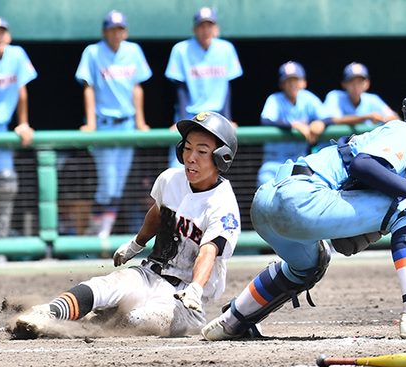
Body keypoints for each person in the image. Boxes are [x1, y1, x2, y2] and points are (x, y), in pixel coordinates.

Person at [200, 88, 406, 342]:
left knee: (309, 264)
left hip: (270, 207)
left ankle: (234, 320)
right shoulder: (404, 134)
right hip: (299, 196)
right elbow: (363, 165)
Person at [10, 112, 241, 339]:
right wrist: (136, 244)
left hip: (185, 299)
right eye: (187, 148)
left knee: (138, 319)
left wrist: (196, 289)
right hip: (150, 274)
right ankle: (44, 314)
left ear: (222, 157)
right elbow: (157, 213)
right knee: (104, 286)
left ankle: (93, 321)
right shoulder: (170, 179)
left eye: (201, 151)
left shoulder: (223, 204)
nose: (191, 157)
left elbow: (208, 252)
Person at [75, 10, 152, 238]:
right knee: (108, 182)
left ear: (125, 31)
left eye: (119, 29)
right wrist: (90, 123)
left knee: (118, 183)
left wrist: (140, 121)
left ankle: (100, 231)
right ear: (104, 31)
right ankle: (99, 232)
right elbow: (87, 87)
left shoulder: (133, 51)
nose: (115, 34)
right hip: (104, 124)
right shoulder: (93, 52)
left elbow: (137, 87)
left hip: (127, 124)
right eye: (111, 29)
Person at [165, 6, 242, 168]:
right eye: (201, 26)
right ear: (194, 29)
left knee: (214, 166)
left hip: (217, 118)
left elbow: (226, 87)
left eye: (209, 25)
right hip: (191, 116)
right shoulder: (181, 50)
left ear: (216, 28)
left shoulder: (226, 49)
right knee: (179, 167)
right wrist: (182, 118)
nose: (205, 30)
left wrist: (227, 118)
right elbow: (180, 88)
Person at [0, 16, 37, 247]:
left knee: (7, 185)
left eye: (2, 32)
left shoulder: (16, 54)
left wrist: (23, 123)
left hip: (2, 131)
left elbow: (21, 90)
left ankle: (1, 244)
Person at [257, 61, 328, 187]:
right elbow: (266, 120)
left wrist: (320, 122)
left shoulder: (308, 98)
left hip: (299, 162)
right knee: (264, 191)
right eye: (288, 81)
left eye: (296, 80)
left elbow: (328, 118)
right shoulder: (275, 99)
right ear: (281, 84)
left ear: (303, 82)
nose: (292, 84)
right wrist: (292, 125)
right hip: (273, 162)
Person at [323, 62, 399, 126]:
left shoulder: (373, 99)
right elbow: (331, 120)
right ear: (344, 84)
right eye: (351, 82)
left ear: (367, 84)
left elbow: (395, 118)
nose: (356, 86)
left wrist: (385, 119)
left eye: (360, 82)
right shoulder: (335, 96)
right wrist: (366, 117)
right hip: (336, 142)